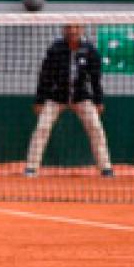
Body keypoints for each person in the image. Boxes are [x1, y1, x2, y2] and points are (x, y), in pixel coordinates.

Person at [25, 24, 113, 178]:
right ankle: (31, 168)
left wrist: (98, 101)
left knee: (96, 128)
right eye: (69, 27)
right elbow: (44, 76)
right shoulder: (55, 49)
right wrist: (40, 100)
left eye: (76, 27)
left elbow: (95, 79)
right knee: (42, 128)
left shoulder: (90, 51)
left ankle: (105, 168)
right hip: (56, 96)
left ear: (82, 29)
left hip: (81, 97)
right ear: (63, 29)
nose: (72, 31)